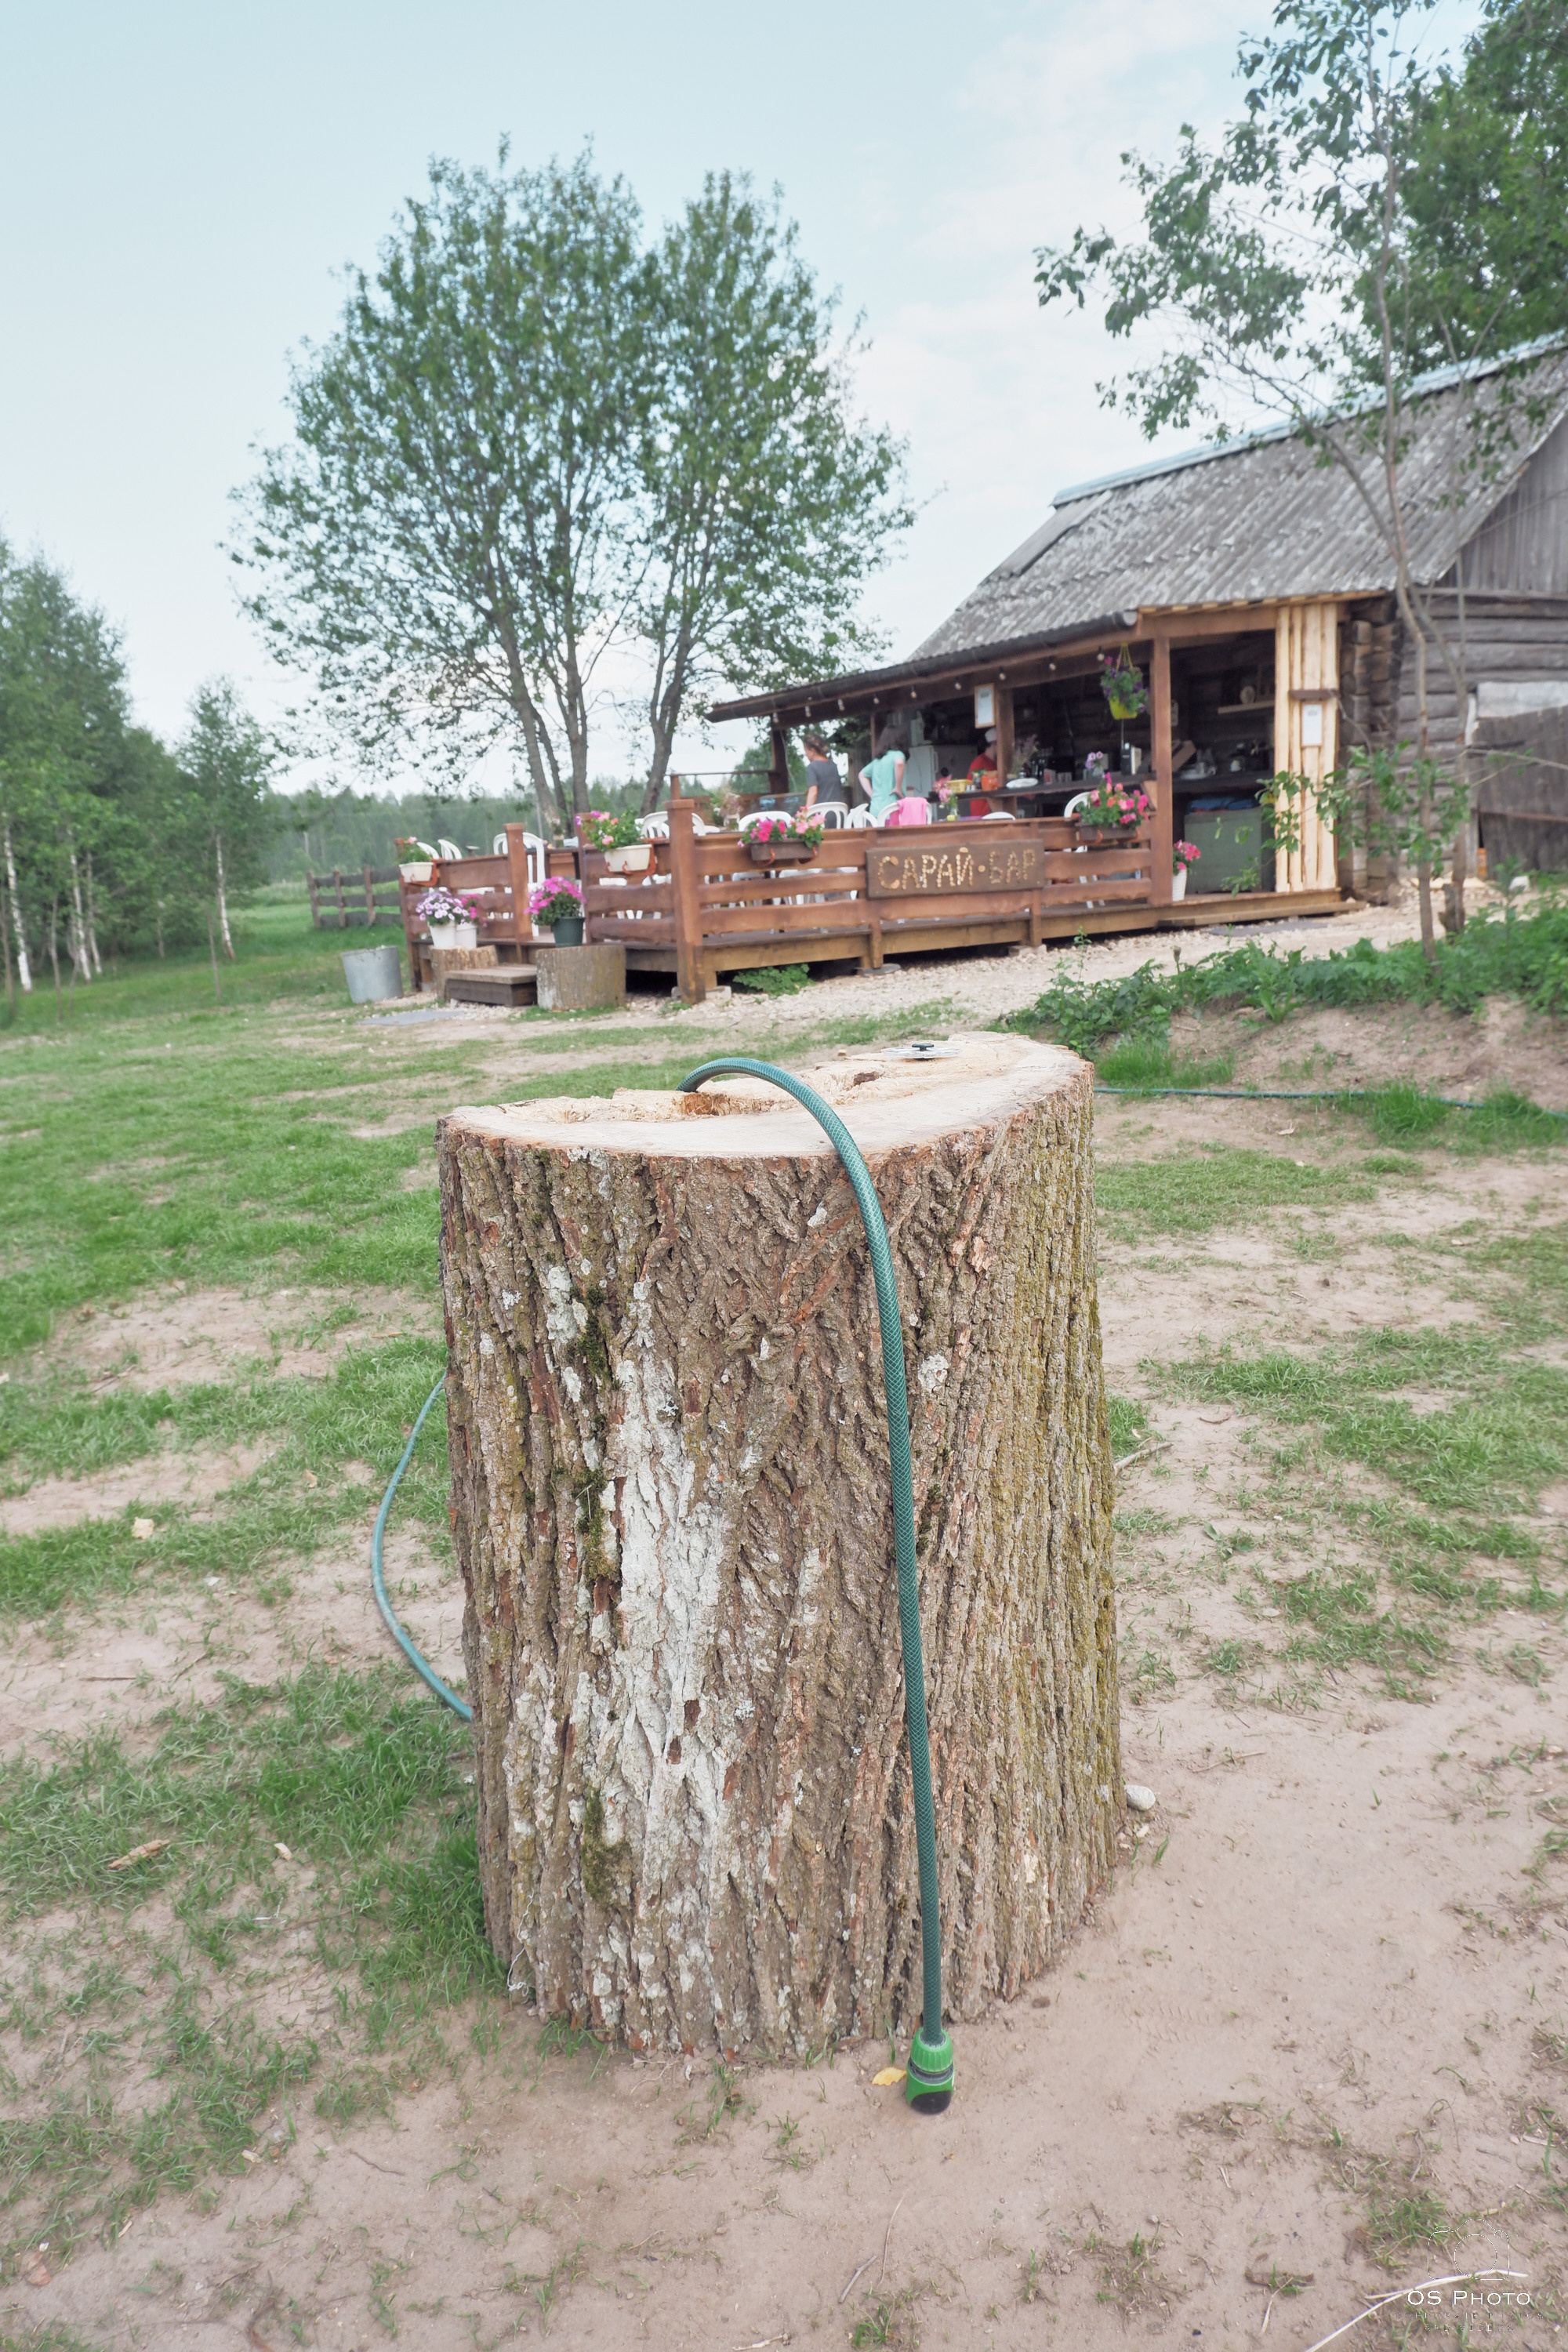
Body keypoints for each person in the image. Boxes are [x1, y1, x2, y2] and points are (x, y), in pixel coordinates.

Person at [858, 724, 907, 822]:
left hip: (875, 810)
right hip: (893, 809)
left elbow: (861, 775)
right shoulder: (898, 754)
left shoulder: (878, 760)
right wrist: (898, 788)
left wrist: (873, 795)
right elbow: (899, 763)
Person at [801, 734, 845, 811]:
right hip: (839, 812)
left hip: (822, 814)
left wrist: (805, 812)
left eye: (806, 751)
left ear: (812, 750)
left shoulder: (812, 767)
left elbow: (813, 792)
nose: (806, 754)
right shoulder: (833, 765)